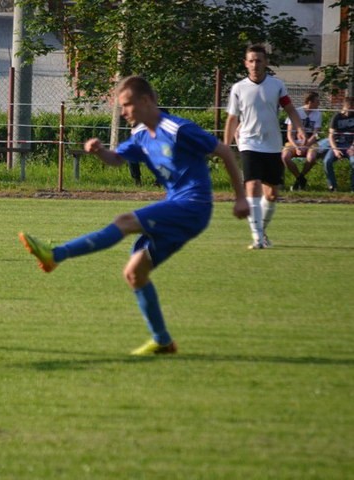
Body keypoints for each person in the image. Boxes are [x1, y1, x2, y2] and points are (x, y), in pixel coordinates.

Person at [18, 76, 249, 356]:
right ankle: (162, 341)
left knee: (124, 221)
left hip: (193, 205)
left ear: (146, 100)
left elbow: (224, 151)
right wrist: (100, 151)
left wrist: (240, 198)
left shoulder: (177, 128)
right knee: (134, 273)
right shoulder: (140, 135)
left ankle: (56, 255)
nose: (124, 112)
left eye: (127, 105)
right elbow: (117, 159)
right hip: (178, 208)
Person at [224, 44, 306, 250]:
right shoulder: (238, 88)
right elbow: (232, 119)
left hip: (272, 145)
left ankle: (261, 231)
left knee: (272, 195)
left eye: (259, 60)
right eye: (251, 61)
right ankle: (258, 239)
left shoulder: (277, 85)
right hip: (248, 143)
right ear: (245, 63)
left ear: (265, 63)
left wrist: (299, 128)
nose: (255, 64)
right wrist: (225, 146)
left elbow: (290, 109)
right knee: (252, 186)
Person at [281, 91, 322, 191]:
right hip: (294, 142)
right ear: (309, 102)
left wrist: (305, 146)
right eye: (317, 101)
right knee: (285, 156)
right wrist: (296, 147)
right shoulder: (296, 112)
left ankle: (300, 178)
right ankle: (299, 178)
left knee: (311, 158)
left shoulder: (318, 114)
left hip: (310, 143)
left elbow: (316, 134)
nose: (319, 103)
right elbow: (290, 135)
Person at [323, 96, 354, 192]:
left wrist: (352, 147)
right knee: (327, 161)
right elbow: (331, 136)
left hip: (350, 145)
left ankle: (353, 187)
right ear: (347, 106)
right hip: (337, 145)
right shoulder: (336, 117)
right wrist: (335, 150)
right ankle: (332, 186)